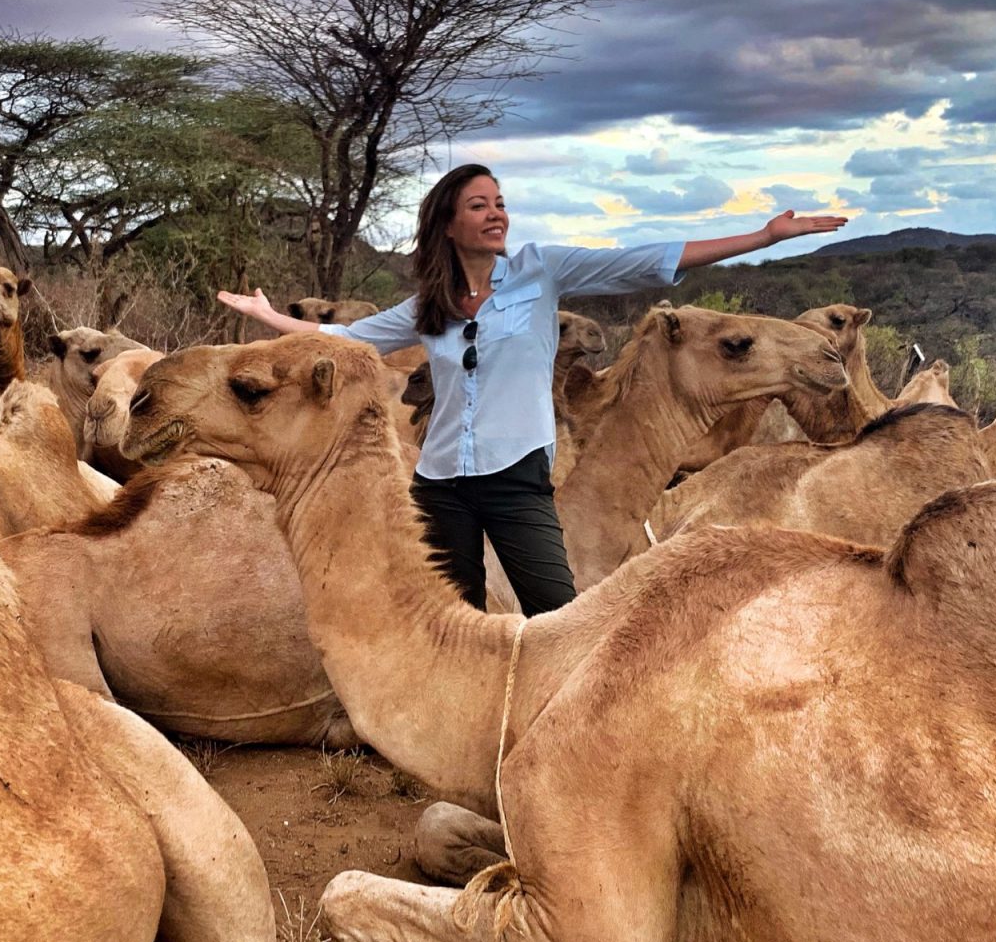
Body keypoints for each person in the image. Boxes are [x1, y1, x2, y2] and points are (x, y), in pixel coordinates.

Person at [218, 163, 846, 615]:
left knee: (555, 609)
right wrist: (269, 320)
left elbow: (646, 257)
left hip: (515, 474)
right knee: (453, 616)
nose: (497, 214)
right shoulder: (430, 304)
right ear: (447, 223)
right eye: (479, 204)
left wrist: (763, 238)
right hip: (439, 482)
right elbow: (349, 339)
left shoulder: (539, 271)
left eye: (499, 202)